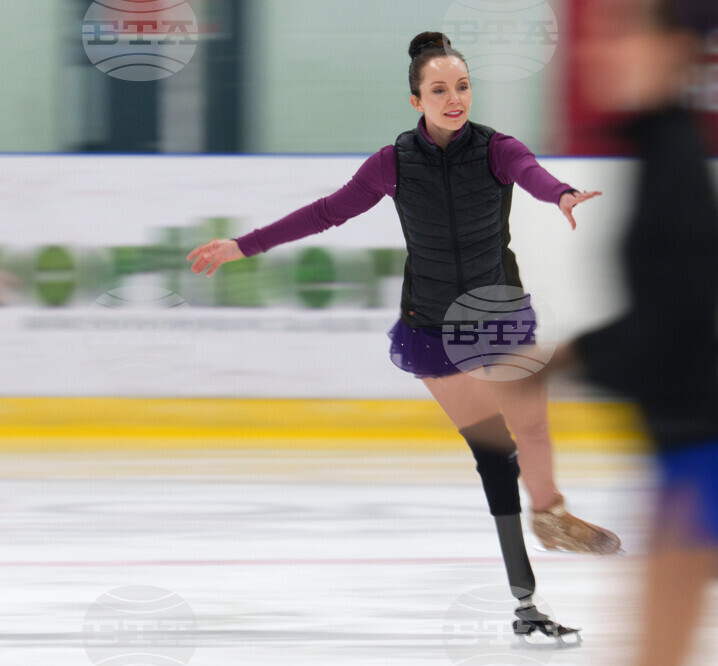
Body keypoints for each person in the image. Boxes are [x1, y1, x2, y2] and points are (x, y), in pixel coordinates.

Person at [187, 31, 619, 645]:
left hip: (497, 312)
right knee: (493, 455)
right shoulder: (392, 164)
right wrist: (243, 245)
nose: (454, 99)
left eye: (462, 87)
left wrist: (563, 194)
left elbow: (532, 174)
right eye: (439, 90)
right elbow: (327, 211)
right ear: (416, 99)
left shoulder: (498, 149)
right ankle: (526, 602)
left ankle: (550, 516)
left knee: (533, 426)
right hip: (431, 325)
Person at [540, 0, 718, 664]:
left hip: (704, 455)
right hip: (687, 452)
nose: (601, 52)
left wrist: (560, 365)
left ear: (677, 50)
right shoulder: (664, 151)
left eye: (624, 36)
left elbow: (675, 326)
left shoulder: (678, 160)